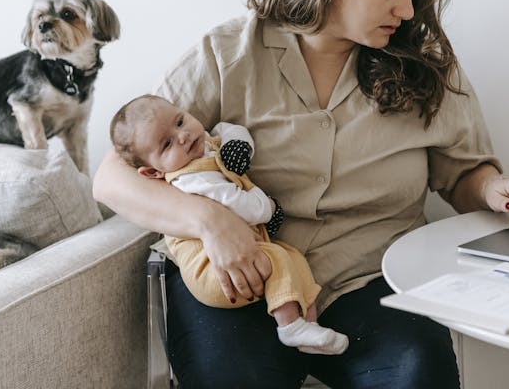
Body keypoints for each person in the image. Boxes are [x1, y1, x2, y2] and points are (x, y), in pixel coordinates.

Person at [94, 0, 509, 388]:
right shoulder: (229, 53)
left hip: (371, 281)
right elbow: (112, 178)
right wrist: (210, 219)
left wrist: (495, 189)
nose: (408, 10)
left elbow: (463, 173)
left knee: (419, 376)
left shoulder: (426, 62)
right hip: (241, 279)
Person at [108, 94, 349, 355]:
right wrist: (268, 207)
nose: (183, 136)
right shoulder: (189, 179)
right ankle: (289, 326)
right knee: (280, 259)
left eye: (180, 121)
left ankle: (308, 327)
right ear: (153, 172)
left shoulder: (204, 145)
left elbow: (226, 129)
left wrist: (238, 144)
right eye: (167, 144)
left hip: (243, 253)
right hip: (214, 272)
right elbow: (238, 204)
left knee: (294, 259)